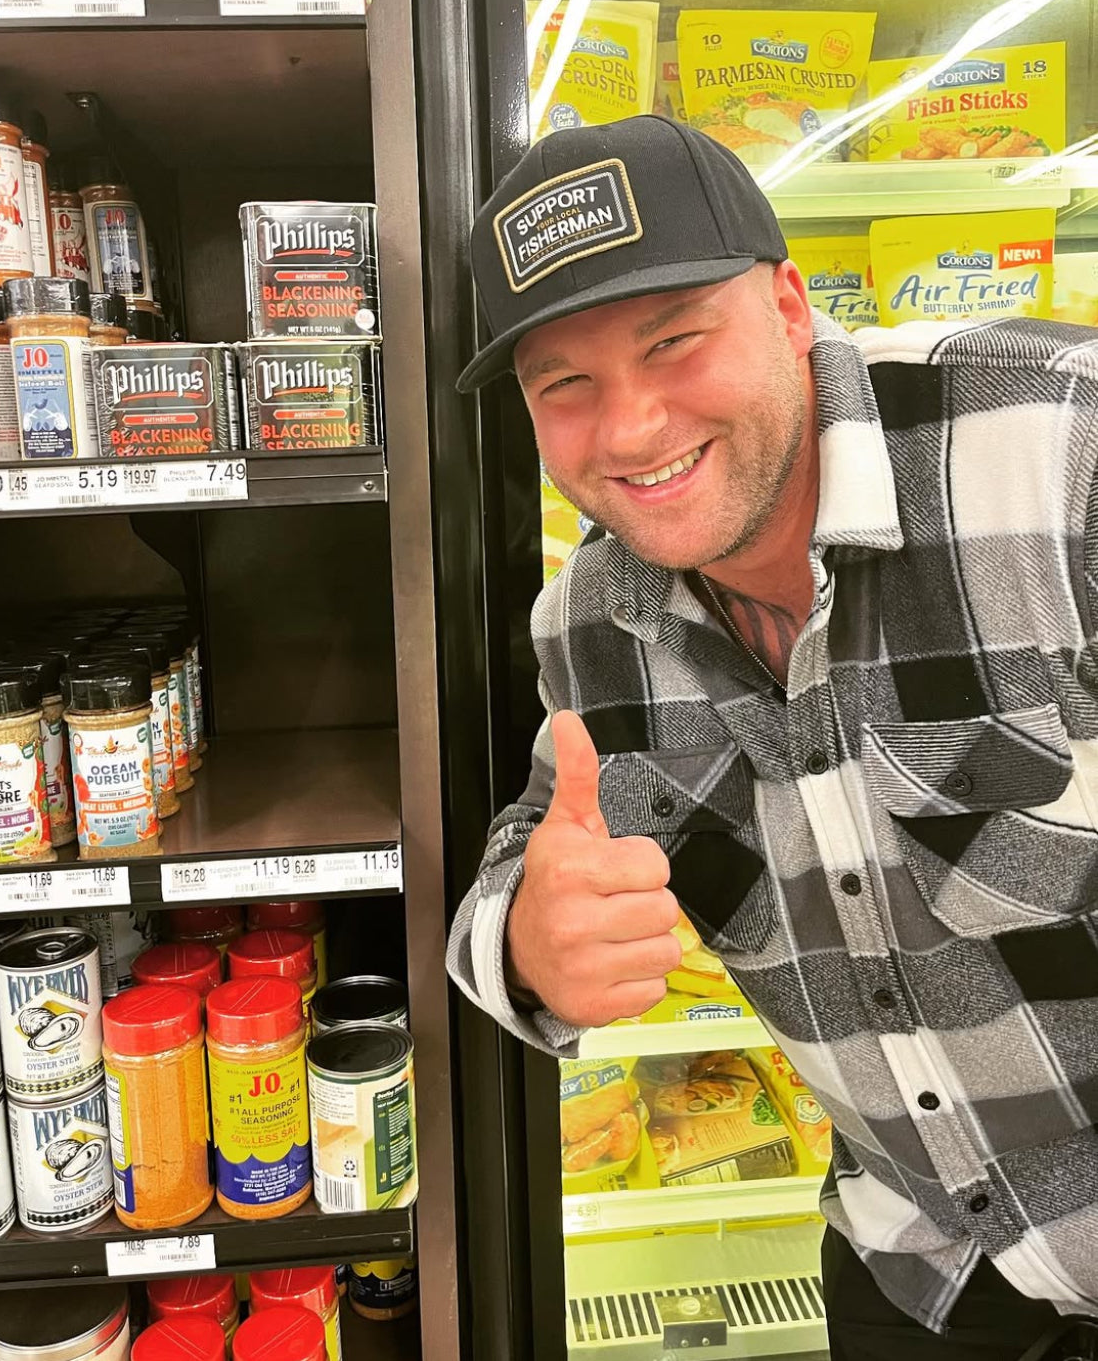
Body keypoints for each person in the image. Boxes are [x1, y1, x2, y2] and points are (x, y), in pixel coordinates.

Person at [446, 114, 1098, 1359]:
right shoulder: (593, 622)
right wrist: (528, 940)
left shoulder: (1063, 459)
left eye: (674, 341)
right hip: (921, 1272)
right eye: (563, 383)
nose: (629, 429)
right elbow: (532, 857)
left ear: (793, 306)